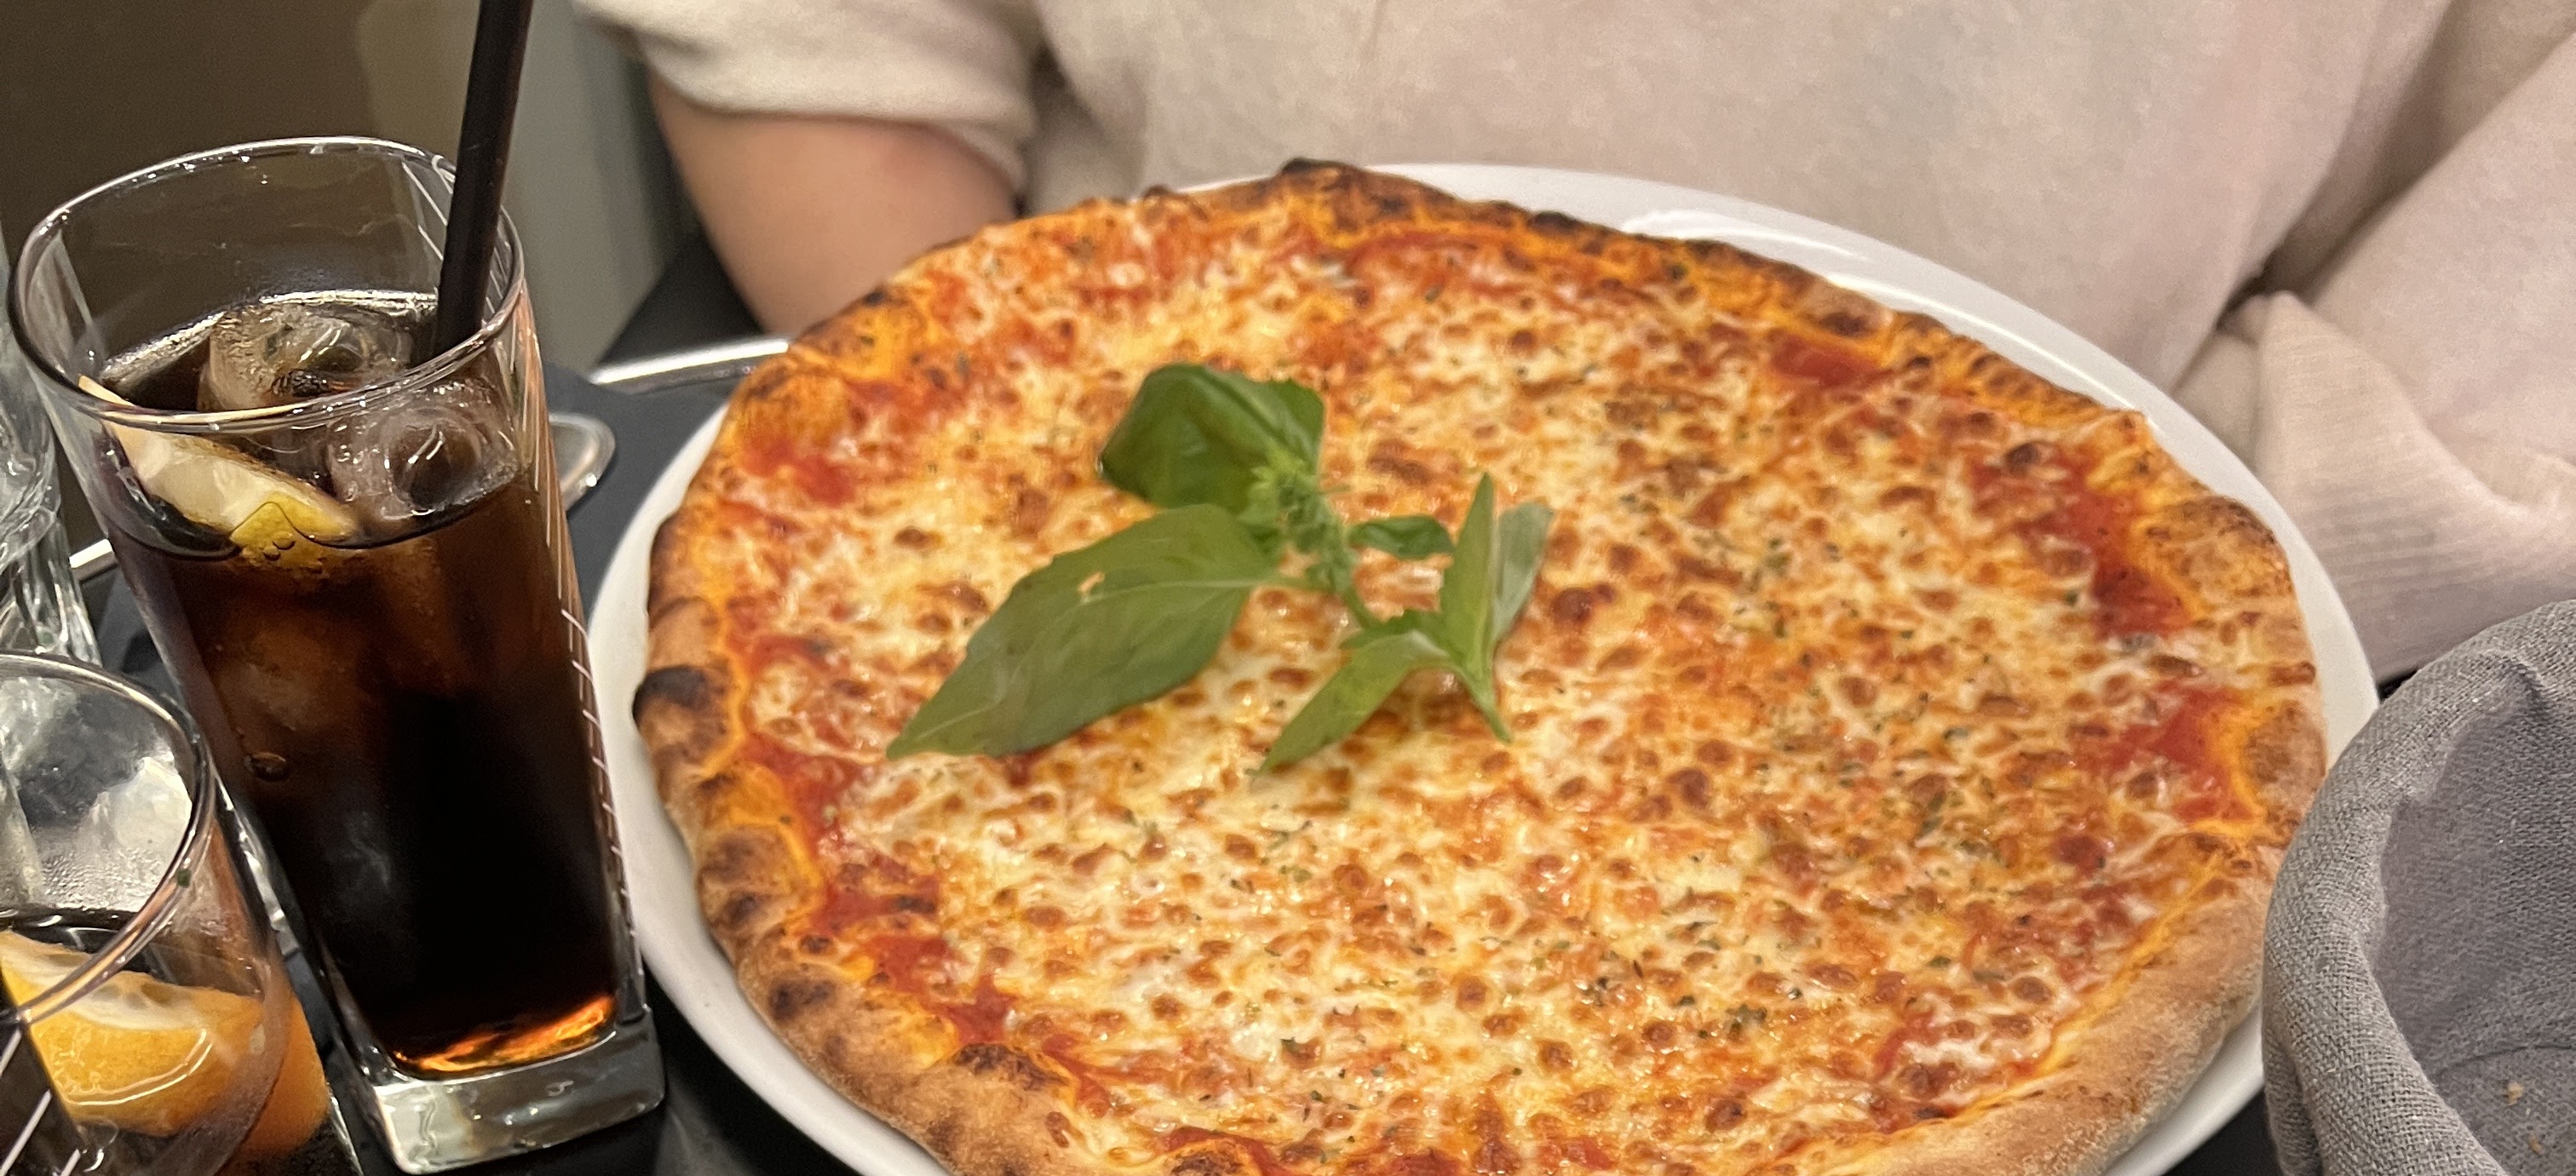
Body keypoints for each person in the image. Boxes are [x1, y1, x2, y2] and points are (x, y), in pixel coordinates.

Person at [590, 0, 2576, 679]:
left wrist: (2036, 566)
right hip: (1126, 524)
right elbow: (821, 41)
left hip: (2068, 662)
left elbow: (2498, 361)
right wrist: (988, 483)